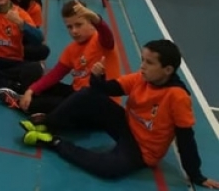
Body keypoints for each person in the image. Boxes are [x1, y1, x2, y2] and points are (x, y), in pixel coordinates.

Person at [22, 40, 219, 187]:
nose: (142, 66)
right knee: (88, 94)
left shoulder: (177, 97)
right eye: (142, 60)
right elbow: (105, 89)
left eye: (149, 63)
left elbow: (186, 139)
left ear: (167, 70)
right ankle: (48, 123)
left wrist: (196, 175)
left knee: (108, 169)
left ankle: (54, 142)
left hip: (142, 150)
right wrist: (98, 77)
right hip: (126, 125)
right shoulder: (142, 78)